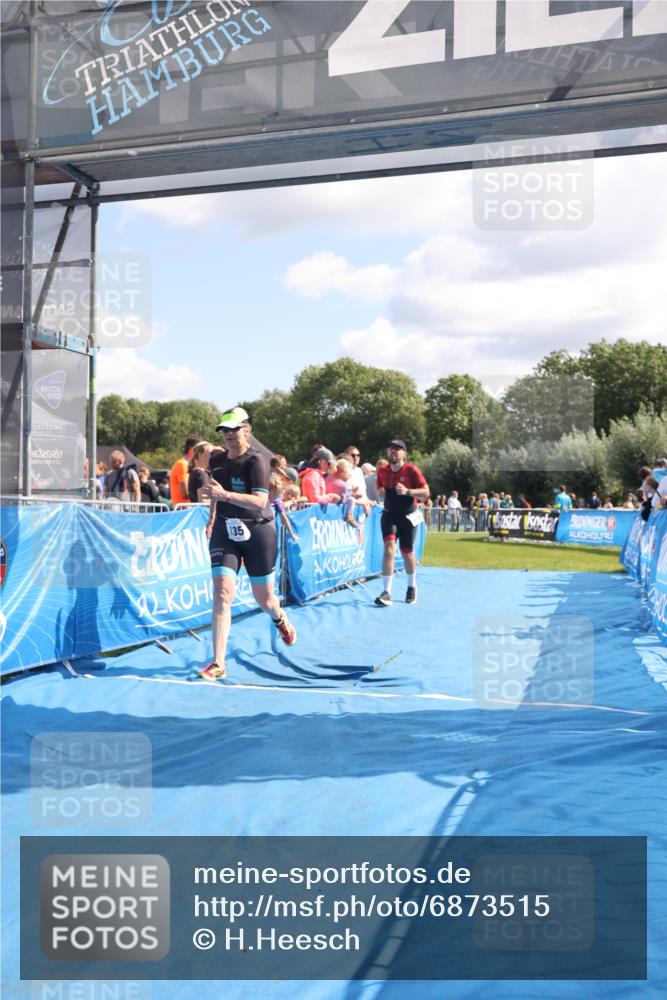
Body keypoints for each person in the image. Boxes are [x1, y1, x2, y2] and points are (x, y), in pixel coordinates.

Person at [197, 406, 296, 681]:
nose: (229, 435)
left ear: (247, 430)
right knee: (222, 592)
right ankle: (218, 662)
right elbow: (216, 493)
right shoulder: (216, 460)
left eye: (234, 429)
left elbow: (261, 501)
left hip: (258, 531)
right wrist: (211, 517)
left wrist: (225, 495)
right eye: (224, 430)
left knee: (263, 598)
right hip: (224, 531)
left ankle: (279, 618)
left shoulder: (257, 461)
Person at [375, 439, 429, 607]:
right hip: (389, 515)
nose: (394, 452)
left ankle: (412, 586)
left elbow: (426, 492)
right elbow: (378, 489)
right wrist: (381, 492)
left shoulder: (412, 470)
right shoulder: (382, 471)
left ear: (404, 453)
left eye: (398, 449)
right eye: (391, 449)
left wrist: (408, 491)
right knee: (389, 548)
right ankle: (386, 592)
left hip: (408, 516)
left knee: (407, 552)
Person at [326, 457, 364, 544]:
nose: (349, 476)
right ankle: (348, 515)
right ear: (343, 472)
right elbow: (343, 498)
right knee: (351, 500)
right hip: (333, 504)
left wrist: (351, 492)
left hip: (327, 503)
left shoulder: (328, 478)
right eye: (348, 473)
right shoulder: (343, 485)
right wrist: (353, 494)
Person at [170, 436, 200, 508]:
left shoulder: (187, 464)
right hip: (183, 509)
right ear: (192, 449)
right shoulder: (182, 464)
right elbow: (185, 492)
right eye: (200, 449)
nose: (201, 452)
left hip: (187, 508)